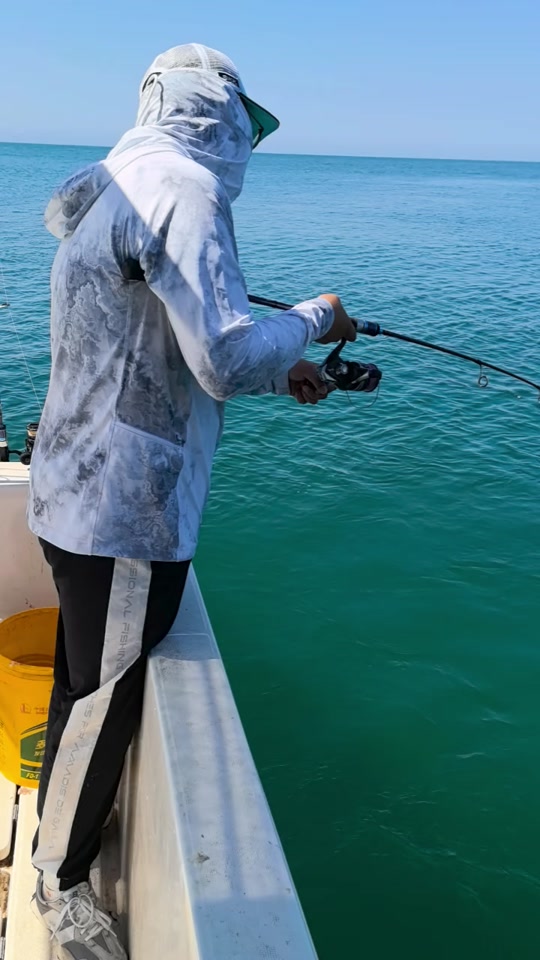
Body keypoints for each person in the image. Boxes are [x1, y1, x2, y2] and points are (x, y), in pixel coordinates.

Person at [27, 43, 356, 959]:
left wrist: (279, 365)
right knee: (104, 701)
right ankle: (59, 885)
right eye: (242, 121)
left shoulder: (114, 188)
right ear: (214, 111)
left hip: (69, 491)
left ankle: (56, 847)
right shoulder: (184, 187)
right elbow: (221, 355)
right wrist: (318, 319)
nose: (243, 142)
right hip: (127, 514)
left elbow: (163, 342)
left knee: (81, 684)